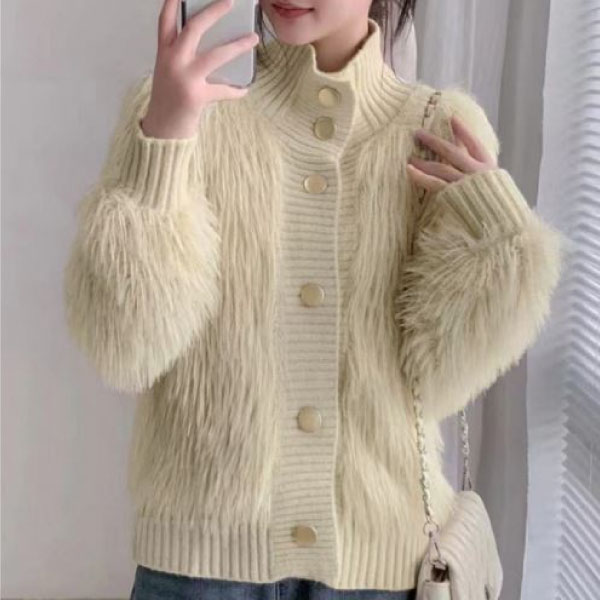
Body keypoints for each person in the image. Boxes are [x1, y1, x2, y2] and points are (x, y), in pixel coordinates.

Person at [63, 0, 566, 598]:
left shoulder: (439, 128)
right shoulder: (181, 111)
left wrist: (502, 239)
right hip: (200, 566)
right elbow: (126, 348)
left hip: (380, 571)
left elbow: (441, 379)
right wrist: (162, 145)